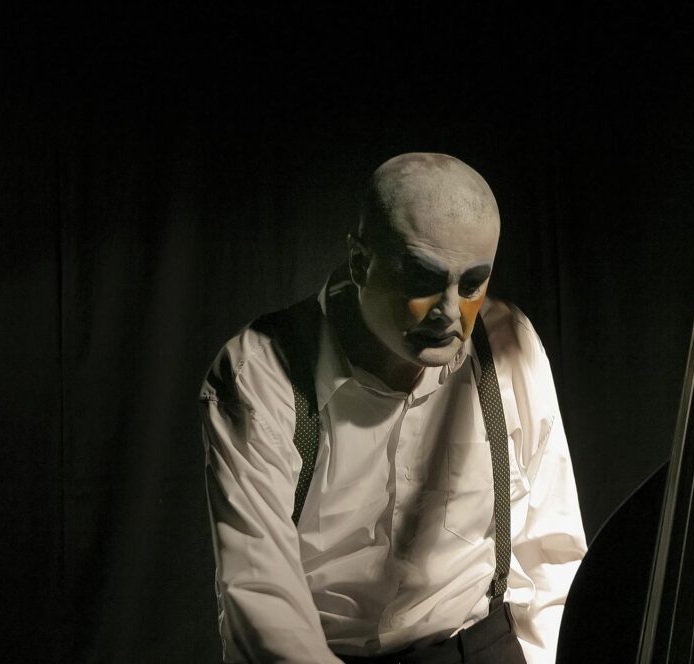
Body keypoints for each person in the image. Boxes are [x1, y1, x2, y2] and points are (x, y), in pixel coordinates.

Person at [199, 153, 587, 663]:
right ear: (361, 262)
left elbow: (552, 545)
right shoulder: (262, 373)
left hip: (477, 646)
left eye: (471, 284)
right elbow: (264, 603)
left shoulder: (506, 344)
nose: (450, 312)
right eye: (424, 279)